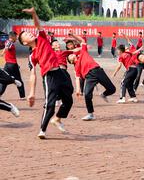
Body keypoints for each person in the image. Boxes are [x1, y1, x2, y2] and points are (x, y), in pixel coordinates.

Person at [19, 7, 73, 139]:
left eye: (28, 32)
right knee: (50, 105)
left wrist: (34, 13)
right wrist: (31, 93)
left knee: (69, 101)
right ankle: (42, 130)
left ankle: (57, 119)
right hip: (49, 77)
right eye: (26, 35)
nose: (29, 34)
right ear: (25, 43)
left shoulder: (42, 38)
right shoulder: (32, 56)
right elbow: (33, 74)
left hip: (60, 73)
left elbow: (38, 25)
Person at [67, 33, 116, 121]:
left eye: (72, 54)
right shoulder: (76, 67)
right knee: (87, 95)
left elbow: (82, 41)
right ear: (70, 62)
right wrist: (78, 90)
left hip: (98, 70)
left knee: (112, 89)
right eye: (69, 56)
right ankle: (90, 114)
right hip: (89, 76)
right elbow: (77, 78)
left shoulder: (82, 52)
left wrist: (73, 35)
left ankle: (104, 95)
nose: (71, 55)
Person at [112, 33, 142, 104]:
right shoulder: (129, 52)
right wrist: (139, 49)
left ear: (120, 51)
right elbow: (134, 51)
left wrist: (114, 73)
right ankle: (133, 97)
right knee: (129, 84)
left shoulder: (121, 56)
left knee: (123, 83)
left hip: (130, 70)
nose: (117, 51)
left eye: (118, 50)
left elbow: (119, 66)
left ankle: (122, 98)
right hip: (135, 70)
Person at [0, 31, 25, 99]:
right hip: (12, 65)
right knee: (19, 79)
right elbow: (7, 46)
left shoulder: (8, 42)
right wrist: (3, 52)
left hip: (8, 64)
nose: (16, 38)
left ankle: (0, 93)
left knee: (4, 79)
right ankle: (22, 96)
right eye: (16, 37)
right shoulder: (9, 42)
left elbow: (7, 46)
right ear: (12, 36)